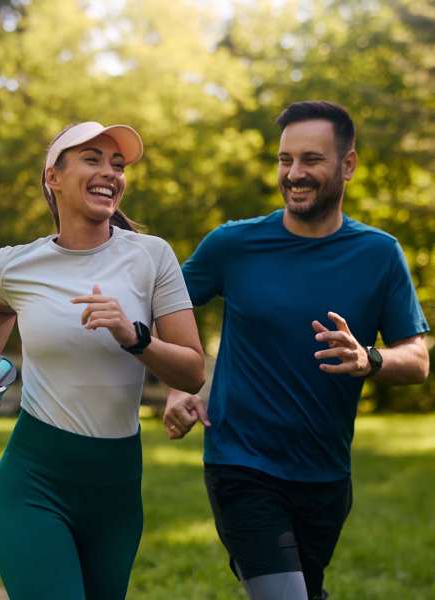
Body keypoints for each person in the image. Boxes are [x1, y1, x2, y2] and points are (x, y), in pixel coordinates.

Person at [163, 101, 430, 600]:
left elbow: (416, 360)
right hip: (241, 463)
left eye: (311, 160)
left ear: (347, 165)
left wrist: (368, 359)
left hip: (325, 474)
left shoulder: (379, 254)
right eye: (286, 160)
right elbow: (163, 306)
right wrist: (180, 384)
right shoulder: (233, 245)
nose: (295, 173)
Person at [0, 121, 205, 600]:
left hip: (117, 490)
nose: (110, 172)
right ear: (53, 178)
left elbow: (192, 369)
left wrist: (134, 336)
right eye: (92, 159)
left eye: (118, 164)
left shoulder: (152, 258)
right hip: (34, 482)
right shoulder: (13, 265)